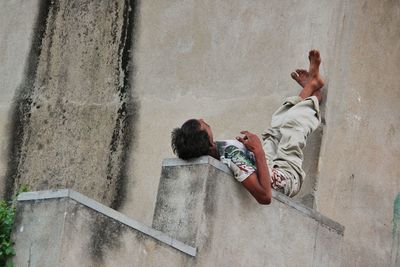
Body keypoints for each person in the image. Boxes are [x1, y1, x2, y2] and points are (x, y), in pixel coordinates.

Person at [171, 50, 324, 205]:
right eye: (201, 124)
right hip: (286, 176)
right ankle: (314, 98)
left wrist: (250, 151)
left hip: (270, 165)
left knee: (276, 128)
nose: (202, 119)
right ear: (207, 141)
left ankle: (311, 87)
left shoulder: (217, 150)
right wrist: (257, 150)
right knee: (293, 125)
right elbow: (265, 196)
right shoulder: (230, 157)